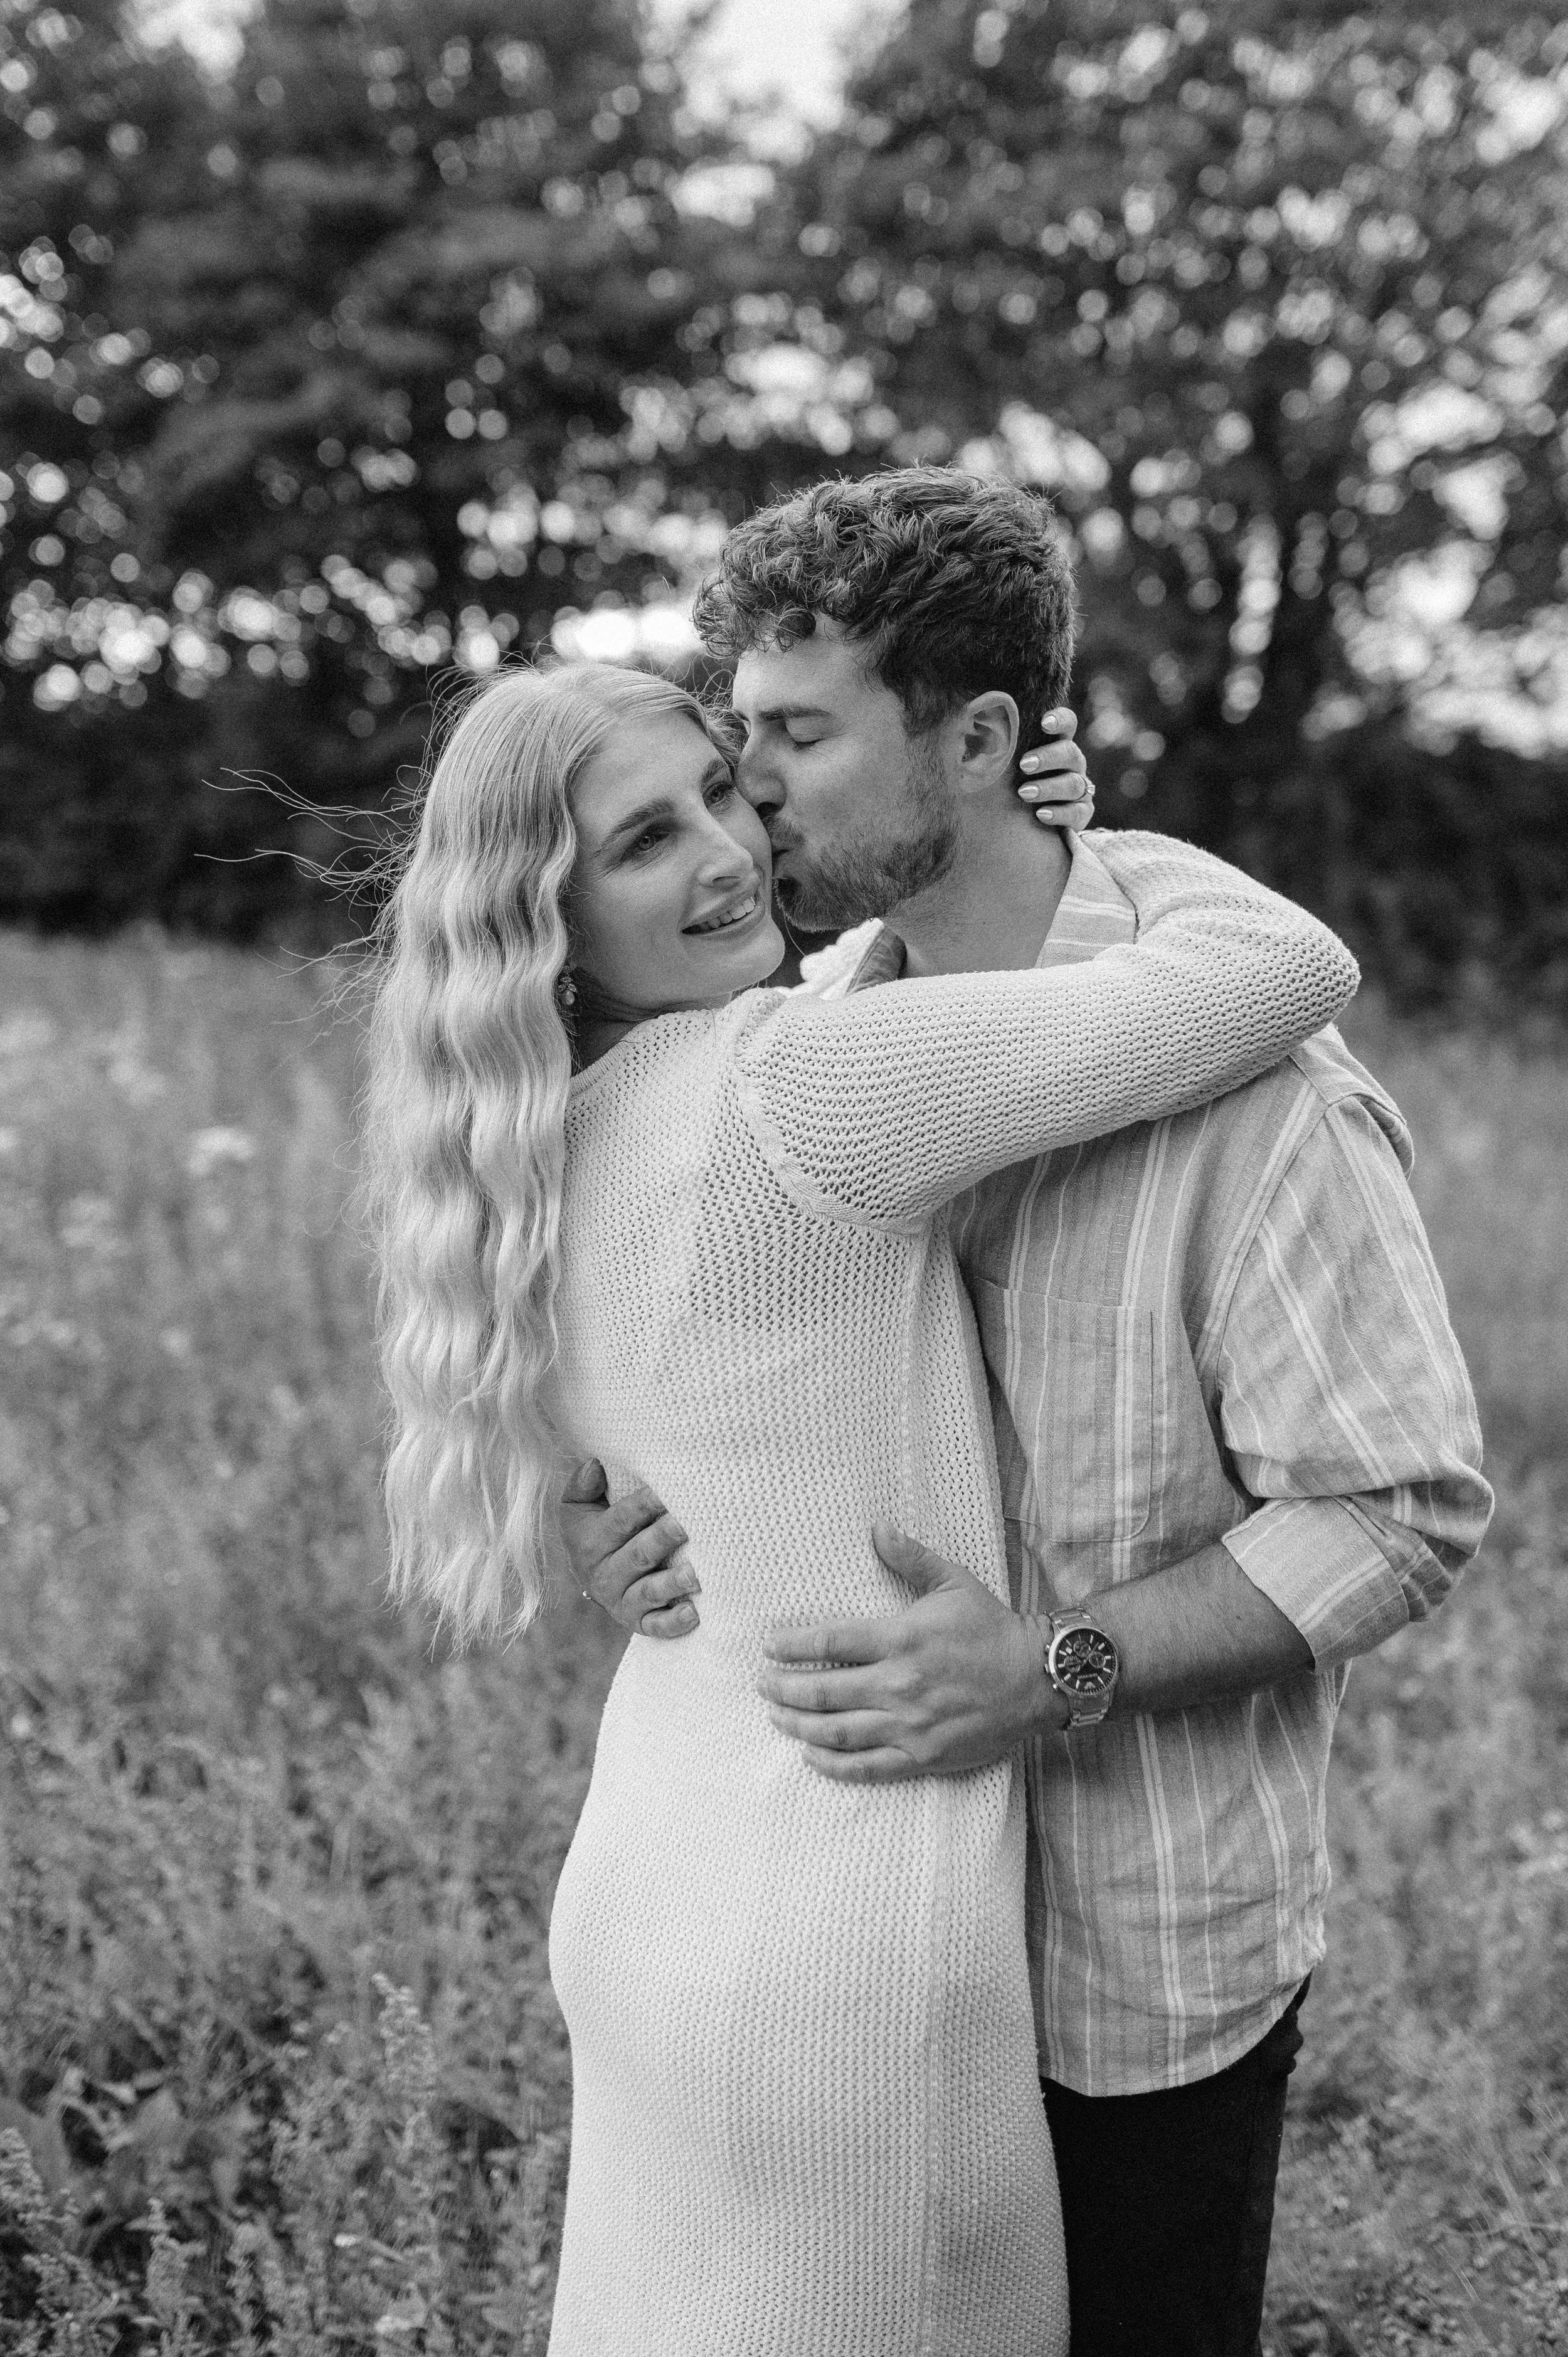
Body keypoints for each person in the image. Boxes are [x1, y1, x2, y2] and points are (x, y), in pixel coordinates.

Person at [562, 467, 1494, 2357]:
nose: (748, 789)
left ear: (981, 739)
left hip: (1120, 1960)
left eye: (798, 735)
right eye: (739, 732)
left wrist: (1046, 1667)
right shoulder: (793, 1027)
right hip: (856, 1951)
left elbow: (1398, 1508)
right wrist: (622, 1513)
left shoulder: (1257, 1100)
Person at [363, 633, 1361, 2356]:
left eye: (717, 790)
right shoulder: (798, 1088)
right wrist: (1099, 850)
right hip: (844, 1946)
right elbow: (1286, 964)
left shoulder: (524, 1150)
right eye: (642, 841)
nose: (728, 848)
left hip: (653, 1893)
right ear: (550, 920)